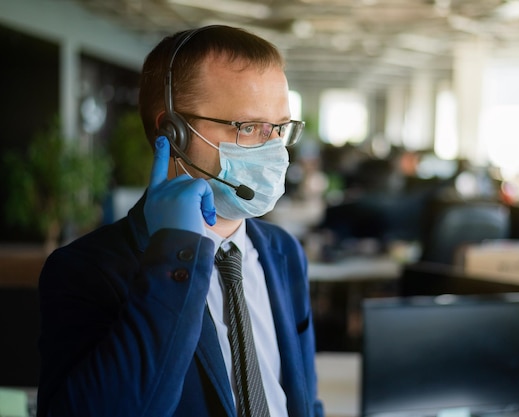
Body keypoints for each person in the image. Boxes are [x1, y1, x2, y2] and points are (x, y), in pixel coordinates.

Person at [36, 25, 324, 417]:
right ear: (172, 133)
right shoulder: (86, 270)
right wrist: (174, 253)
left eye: (280, 128)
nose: (274, 149)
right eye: (249, 127)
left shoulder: (284, 252)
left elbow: (304, 399)